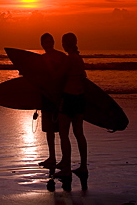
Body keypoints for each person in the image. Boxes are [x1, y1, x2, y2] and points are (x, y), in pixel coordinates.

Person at [55, 33, 88, 185]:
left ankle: (67, 168)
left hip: (69, 98)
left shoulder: (69, 59)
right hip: (80, 98)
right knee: (79, 133)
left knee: (64, 134)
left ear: (65, 44)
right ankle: (82, 166)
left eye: (63, 42)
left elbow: (59, 76)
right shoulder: (79, 59)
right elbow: (83, 77)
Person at [38, 33, 67, 168]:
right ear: (42, 44)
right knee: (49, 130)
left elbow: (66, 76)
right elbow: (37, 77)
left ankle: (64, 159)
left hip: (60, 96)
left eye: (50, 42)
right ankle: (52, 157)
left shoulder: (62, 57)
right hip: (46, 96)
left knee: (62, 130)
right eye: (45, 42)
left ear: (53, 42)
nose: (48, 45)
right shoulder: (42, 59)